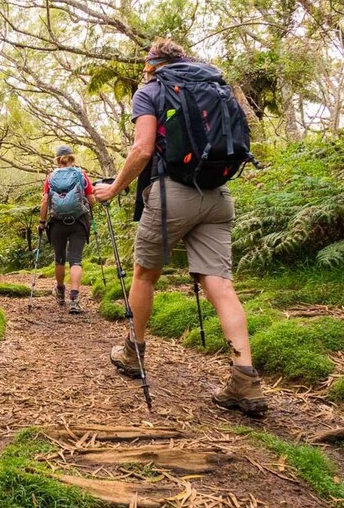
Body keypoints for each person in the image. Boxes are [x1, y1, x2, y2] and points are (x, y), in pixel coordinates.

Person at [93, 38, 267, 415]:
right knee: (220, 284)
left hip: (172, 194)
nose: (143, 70)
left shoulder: (152, 90)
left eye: (145, 65)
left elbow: (141, 149)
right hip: (217, 194)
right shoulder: (215, 87)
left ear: (153, 64)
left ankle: (132, 352)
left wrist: (114, 189)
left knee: (144, 275)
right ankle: (244, 378)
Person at [39, 145, 96, 314]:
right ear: (72, 158)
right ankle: (75, 299)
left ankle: (60, 291)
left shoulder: (50, 177)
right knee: (76, 260)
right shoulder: (81, 174)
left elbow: (44, 201)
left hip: (57, 223)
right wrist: (87, 203)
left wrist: (42, 222)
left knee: (59, 259)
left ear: (57, 160)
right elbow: (91, 200)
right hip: (78, 222)